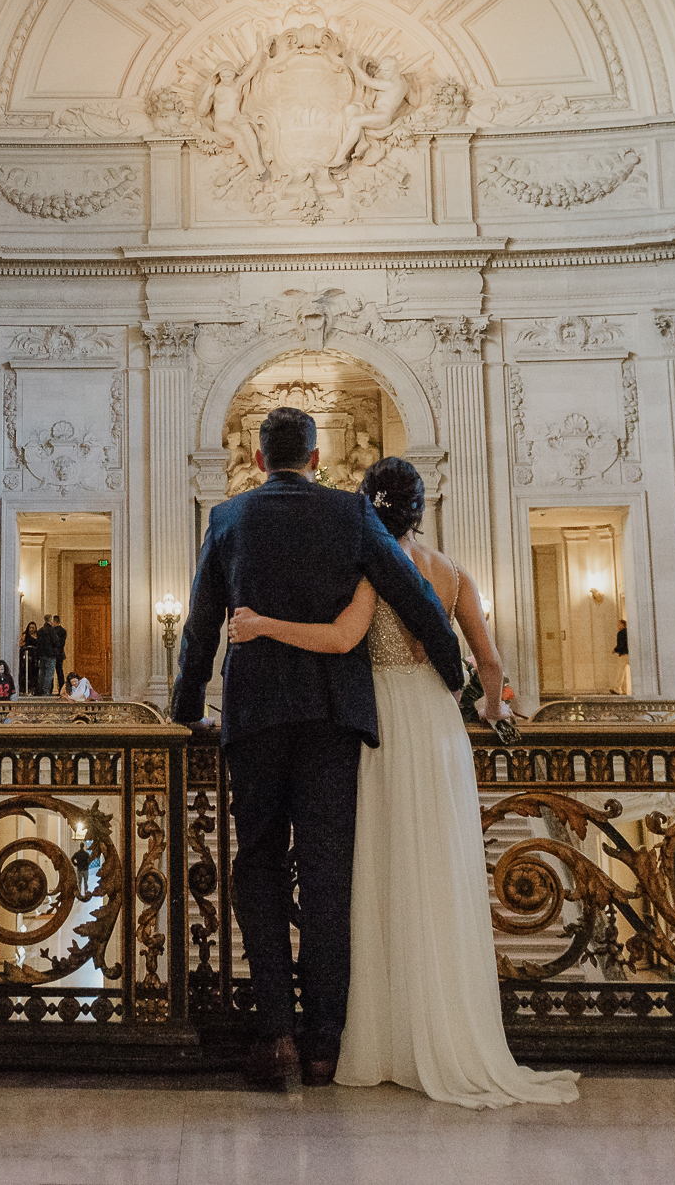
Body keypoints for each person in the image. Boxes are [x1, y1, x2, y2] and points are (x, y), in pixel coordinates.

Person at [229, 456, 579, 1110]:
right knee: (435, 869)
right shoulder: (451, 571)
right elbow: (490, 660)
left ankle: (379, 1031)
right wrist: (492, 707)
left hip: (381, 720)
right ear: (421, 507)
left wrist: (260, 625)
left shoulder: (370, 569)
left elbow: (340, 638)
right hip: (439, 727)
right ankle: (443, 1021)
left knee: (376, 870)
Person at [170, 407, 465, 1093]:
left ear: (260, 455)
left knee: (260, 865)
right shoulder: (349, 513)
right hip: (333, 717)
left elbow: (199, 626)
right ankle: (325, 1043)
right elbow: (415, 596)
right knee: (329, 876)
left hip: (255, 717)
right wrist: (459, 683)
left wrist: (184, 714)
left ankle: (274, 1029)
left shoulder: (229, 518)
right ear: (315, 453)